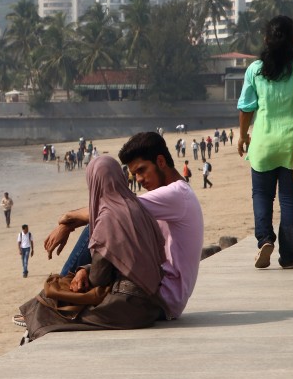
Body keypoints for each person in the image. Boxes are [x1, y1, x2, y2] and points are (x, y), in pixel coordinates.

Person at [44, 132, 204, 322]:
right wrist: (86, 269)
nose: (139, 179)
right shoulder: (175, 195)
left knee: (103, 224)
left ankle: (55, 298)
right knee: (108, 225)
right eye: (134, 174)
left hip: (161, 297)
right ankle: (61, 292)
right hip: (158, 286)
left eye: (142, 170)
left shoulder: (176, 194)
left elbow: (110, 210)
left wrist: (67, 221)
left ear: (160, 162)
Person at [18, 157, 167, 340]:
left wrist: (84, 271)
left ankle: (29, 333)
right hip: (153, 303)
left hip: (129, 307)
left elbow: (99, 277)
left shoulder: (108, 218)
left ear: (94, 183)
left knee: (53, 306)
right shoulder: (138, 208)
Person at [238, 15, 293, 269]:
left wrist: (243, 136)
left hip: (262, 144)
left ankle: (265, 239)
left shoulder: (255, 69)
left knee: (261, 196)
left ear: (266, 39)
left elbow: (246, 107)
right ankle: (288, 256)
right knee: (289, 201)